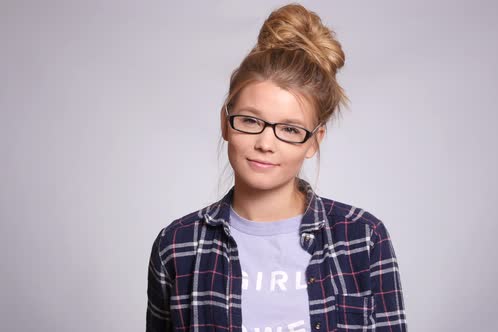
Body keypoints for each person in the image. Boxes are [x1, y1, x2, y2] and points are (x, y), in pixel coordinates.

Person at [146, 3, 407, 331]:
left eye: (290, 129)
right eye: (251, 120)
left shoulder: (363, 239)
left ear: (314, 140)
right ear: (226, 123)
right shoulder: (177, 245)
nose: (266, 143)